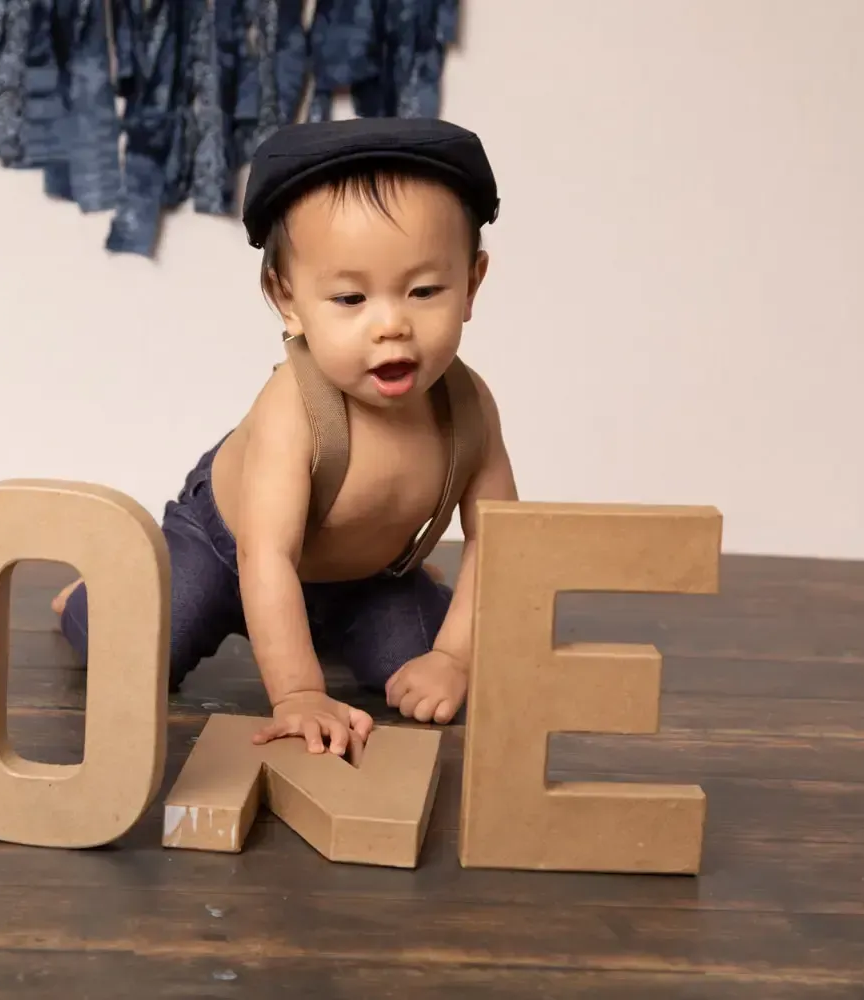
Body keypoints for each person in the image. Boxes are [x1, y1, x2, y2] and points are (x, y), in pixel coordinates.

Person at [52, 116, 519, 757]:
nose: (392, 324)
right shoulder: (294, 407)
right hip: (226, 550)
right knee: (135, 652)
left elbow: (500, 545)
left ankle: (362, 618)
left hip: (359, 578)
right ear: (288, 299)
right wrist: (298, 693)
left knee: (421, 668)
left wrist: (455, 657)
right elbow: (264, 557)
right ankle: (88, 598)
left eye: (423, 290)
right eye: (351, 298)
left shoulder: (470, 408)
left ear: (472, 284)